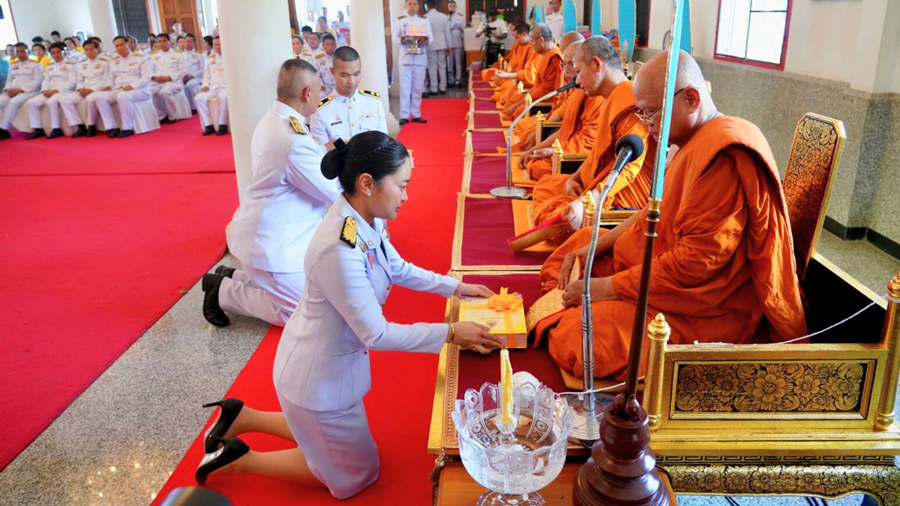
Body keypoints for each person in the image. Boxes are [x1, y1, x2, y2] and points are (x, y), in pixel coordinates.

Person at [194, 130, 502, 498]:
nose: (406, 195)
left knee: (344, 449)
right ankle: (238, 458)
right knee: (357, 476)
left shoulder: (360, 216)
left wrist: (456, 287)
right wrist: (452, 333)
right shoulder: (338, 247)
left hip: (329, 369)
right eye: (402, 185)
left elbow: (396, 266)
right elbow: (378, 334)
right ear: (367, 183)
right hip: (316, 380)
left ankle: (242, 416)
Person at [533, 50, 807, 381]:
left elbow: (694, 264)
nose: (646, 126)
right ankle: (578, 296)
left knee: (576, 337)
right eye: (642, 114)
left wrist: (602, 288)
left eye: (650, 114)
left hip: (702, 307)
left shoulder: (723, 155)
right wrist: (594, 247)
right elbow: (653, 212)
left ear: (691, 98)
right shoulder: (688, 139)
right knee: (576, 245)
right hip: (653, 273)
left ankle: (578, 307)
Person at [201, 59, 339, 327]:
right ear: (307, 93)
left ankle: (231, 277)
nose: (321, 96)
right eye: (320, 90)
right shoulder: (292, 138)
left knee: (321, 296)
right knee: (307, 317)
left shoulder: (275, 119)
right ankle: (224, 292)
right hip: (275, 245)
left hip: (270, 233)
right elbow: (332, 192)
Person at [531, 36, 653, 243]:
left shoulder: (630, 102)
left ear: (596, 64)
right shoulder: (611, 97)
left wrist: (588, 202)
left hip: (622, 194)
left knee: (556, 221)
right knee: (544, 186)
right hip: (596, 184)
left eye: (578, 72)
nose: (576, 81)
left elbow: (628, 167)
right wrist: (575, 178)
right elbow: (598, 152)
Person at [516, 40, 604, 180]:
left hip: (587, 158)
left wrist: (553, 151)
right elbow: (566, 125)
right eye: (565, 64)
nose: (566, 70)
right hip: (567, 142)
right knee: (534, 159)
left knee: (538, 170)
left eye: (574, 66)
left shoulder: (598, 95)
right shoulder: (581, 90)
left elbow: (594, 143)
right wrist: (538, 148)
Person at [310, 46, 387, 146]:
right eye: (344, 75)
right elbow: (322, 154)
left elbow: (384, 143)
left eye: (356, 74)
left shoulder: (373, 103)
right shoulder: (321, 111)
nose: (352, 81)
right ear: (333, 72)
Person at [500, 23, 563, 121]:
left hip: (545, 101)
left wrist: (519, 103)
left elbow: (546, 91)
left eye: (532, 42)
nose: (530, 46)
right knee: (511, 102)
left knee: (517, 112)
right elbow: (539, 85)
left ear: (541, 40)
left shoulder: (555, 58)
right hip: (536, 94)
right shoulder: (545, 54)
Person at [93, 35, 152, 139]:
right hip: (119, 89)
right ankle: (112, 127)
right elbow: (111, 78)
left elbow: (146, 78)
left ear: (128, 45)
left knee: (123, 96)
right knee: (99, 97)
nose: (119, 48)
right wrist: (108, 86)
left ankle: (127, 128)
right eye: (117, 46)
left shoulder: (141, 59)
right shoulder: (114, 60)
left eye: (121, 45)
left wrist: (131, 86)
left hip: (139, 90)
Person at [25, 42, 77, 139]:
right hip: (49, 91)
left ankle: (56, 129)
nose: (55, 55)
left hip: (64, 91)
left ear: (64, 52)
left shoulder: (71, 64)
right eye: (53, 53)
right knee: (31, 102)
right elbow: (46, 80)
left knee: (51, 102)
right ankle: (38, 129)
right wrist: (44, 90)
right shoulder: (49, 65)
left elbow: (72, 82)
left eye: (58, 52)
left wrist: (55, 90)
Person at [393, 0, 433, 125]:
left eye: (415, 4)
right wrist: (402, 40)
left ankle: (416, 113)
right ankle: (404, 114)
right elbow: (395, 38)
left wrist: (424, 40)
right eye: (410, 4)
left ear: (418, 6)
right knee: (405, 88)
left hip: (420, 57)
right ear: (406, 5)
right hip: (406, 58)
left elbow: (431, 38)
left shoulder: (424, 20)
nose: (412, 6)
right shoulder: (400, 20)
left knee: (417, 87)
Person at [60, 39, 110, 138]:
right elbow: (79, 79)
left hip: (97, 89)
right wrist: (80, 88)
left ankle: (91, 126)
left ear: (97, 49)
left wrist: (91, 90)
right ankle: (80, 126)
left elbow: (105, 80)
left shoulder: (105, 62)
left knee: (90, 99)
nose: (89, 52)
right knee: (64, 100)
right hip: (84, 90)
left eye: (91, 49)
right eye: (86, 50)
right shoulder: (81, 63)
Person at [0, 43, 43, 141]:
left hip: (28, 92)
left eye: (22, 51)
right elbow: (9, 79)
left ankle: (2, 129)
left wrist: (19, 90)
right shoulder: (13, 65)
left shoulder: (35, 64)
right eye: (17, 52)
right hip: (11, 91)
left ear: (28, 52)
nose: (20, 54)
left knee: (12, 103)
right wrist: (8, 89)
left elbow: (37, 82)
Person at [147, 33, 187, 124]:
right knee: (149, 92)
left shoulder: (179, 54)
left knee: (164, 92)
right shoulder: (153, 55)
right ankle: (161, 115)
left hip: (173, 81)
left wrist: (169, 78)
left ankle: (172, 116)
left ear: (169, 42)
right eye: (160, 41)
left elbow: (182, 71)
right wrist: (153, 77)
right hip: (157, 81)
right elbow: (149, 70)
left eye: (164, 41)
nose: (162, 43)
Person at [194, 37, 227, 136]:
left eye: (219, 45)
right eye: (215, 45)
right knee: (198, 98)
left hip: (225, 87)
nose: (217, 47)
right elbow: (206, 75)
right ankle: (208, 125)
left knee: (222, 97)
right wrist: (205, 85)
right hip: (212, 87)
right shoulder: (210, 58)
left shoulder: (229, 57)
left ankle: (222, 124)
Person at [424, 0, 450, 96]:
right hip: (442, 44)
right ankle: (443, 87)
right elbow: (447, 33)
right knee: (442, 66)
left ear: (427, 6)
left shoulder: (425, 18)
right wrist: (449, 47)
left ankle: (434, 88)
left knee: (432, 67)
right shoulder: (443, 17)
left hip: (431, 45)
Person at [182, 34, 205, 111]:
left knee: (190, 85)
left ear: (194, 43)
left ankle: (193, 107)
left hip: (196, 78)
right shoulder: (180, 55)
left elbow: (202, 69)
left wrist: (192, 76)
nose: (188, 43)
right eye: (186, 41)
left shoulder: (199, 55)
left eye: (190, 41)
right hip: (182, 77)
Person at [447, 1, 465, 87]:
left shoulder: (460, 16)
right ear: (448, 8)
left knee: (458, 62)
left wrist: (461, 29)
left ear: (456, 7)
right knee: (450, 62)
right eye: (450, 6)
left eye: (453, 6)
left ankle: (458, 80)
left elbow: (464, 29)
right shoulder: (446, 18)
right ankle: (451, 80)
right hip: (449, 43)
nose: (452, 8)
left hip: (457, 41)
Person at [315, 33, 337, 99]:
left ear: (335, 45)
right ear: (323, 45)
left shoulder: (339, 56)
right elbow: (316, 74)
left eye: (332, 44)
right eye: (327, 44)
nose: (330, 47)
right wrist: (320, 85)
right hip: (324, 87)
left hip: (337, 86)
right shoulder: (318, 58)